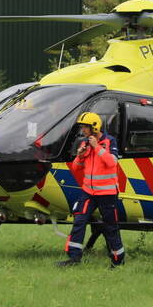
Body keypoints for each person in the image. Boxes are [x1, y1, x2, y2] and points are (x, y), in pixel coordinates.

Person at [56, 112, 125, 268]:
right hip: (88, 192)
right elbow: (76, 167)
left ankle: (118, 260)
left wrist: (97, 148)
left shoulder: (109, 141)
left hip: (107, 194)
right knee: (79, 221)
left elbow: (112, 162)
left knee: (110, 226)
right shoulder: (84, 143)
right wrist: (80, 156)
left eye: (85, 127)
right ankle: (74, 258)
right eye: (82, 127)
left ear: (94, 127)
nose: (83, 130)